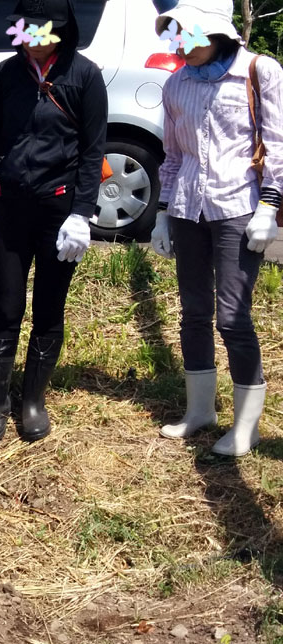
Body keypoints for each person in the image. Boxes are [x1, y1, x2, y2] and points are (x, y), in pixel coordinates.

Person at [150, 0, 282, 456]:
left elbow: (278, 142)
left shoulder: (259, 72)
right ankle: (200, 411)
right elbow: (173, 154)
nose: (180, 45)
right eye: (174, 35)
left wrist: (270, 204)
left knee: (233, 316)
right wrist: (163, 211)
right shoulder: (175, 83)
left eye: (188, 34)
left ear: (214, 33)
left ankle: (247, 428)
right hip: (189, 209)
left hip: (238, 208)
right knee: (193, 313)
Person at [0, 0, 107, 443]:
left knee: (49, 307)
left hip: (59, 212)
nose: (32, 41)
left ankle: (33, 399)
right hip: (8, 208)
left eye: (42, 32)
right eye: (25, 31)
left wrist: (81, 215)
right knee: (7, 307)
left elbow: (92, 152)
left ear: (62, 31)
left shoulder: (84, 76)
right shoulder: (4, 76)